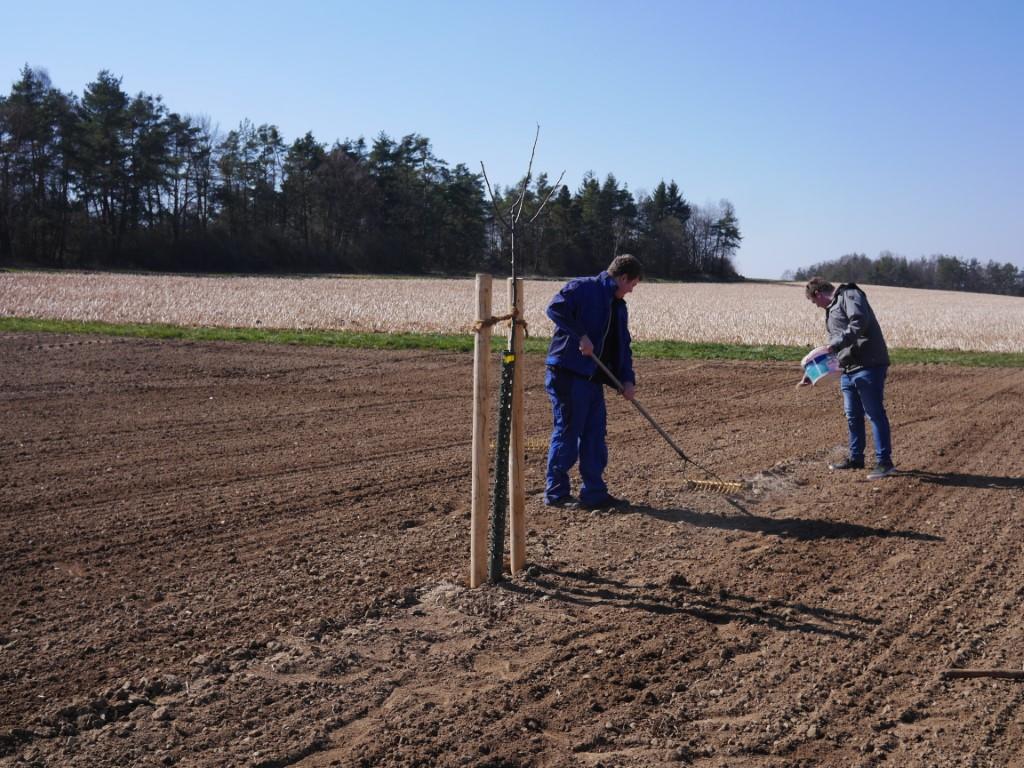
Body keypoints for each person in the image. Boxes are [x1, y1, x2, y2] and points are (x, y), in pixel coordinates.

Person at [543, 254, 643, 510]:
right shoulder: (583, 287)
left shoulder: (618, 306)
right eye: (632, 284)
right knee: (568, 432)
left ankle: (594, 493)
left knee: (595, 436)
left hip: (592, 377)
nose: (632, 290)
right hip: (568, 372)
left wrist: (627, 380)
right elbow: (555, 309)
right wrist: (580, 336)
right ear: (622, 278)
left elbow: (622, 346)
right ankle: (557, 493)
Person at [800, 276, 894, 479]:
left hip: (869, 364)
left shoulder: (849, 295)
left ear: (818, 293)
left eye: (814, 301)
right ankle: (856, 458)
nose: (816, 306)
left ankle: (884, 462)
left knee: (874, 414)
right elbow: (834, 352)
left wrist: (836, 343)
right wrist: (812, 374)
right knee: (852, 416)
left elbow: (859, 321)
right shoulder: (831, 310)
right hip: (848, 369)